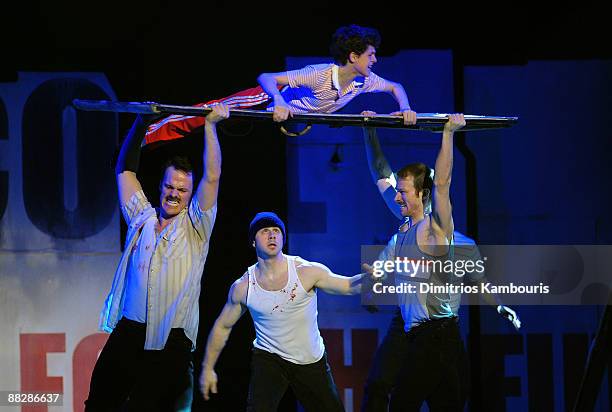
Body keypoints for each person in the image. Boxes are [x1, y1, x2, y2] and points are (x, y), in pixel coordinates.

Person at [359, 119, 521, 411]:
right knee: (442, 402)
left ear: (422, 194)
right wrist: (369, 132)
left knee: (405, 403)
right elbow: (381, 174)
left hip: (436, 333)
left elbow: (443, 184)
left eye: (404, 192)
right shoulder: (405, 224)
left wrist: (448, 133)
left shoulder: (439, 233)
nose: (396, 197)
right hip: (418, 331)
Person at [84, 104, 230, 411]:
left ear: (190, 194)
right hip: (130, 330)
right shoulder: (142, 218)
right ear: (160, 186)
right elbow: (124, 169)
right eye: (169, 186)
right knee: (98, 402)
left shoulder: (195, 227)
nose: (174, 193)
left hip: (171, 339)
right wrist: (140, 122)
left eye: (182, 189)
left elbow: (213, 177)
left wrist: (210, 126)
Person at [143, 24, 417, 145]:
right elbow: (266, 77)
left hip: (288, 114)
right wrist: (279, 101)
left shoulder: (364, 81)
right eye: (371, 55)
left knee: (219, 125)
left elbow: (396, 87)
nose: (375, 60)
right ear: (354, 56)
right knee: (207, 113)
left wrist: (405, 108)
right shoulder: (319, 73)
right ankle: (149, 132)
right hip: (265, 98)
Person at [199, 212, 364, 411]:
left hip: (310, 360)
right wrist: (207, 368)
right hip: (270, 357)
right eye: (265, 231)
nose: (272, 235)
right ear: (253, 242)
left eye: (276, 231)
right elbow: (222, 327)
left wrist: (370, 279)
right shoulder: (243, 287)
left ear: (283, 239)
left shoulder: (306, 271)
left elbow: (347, 286)